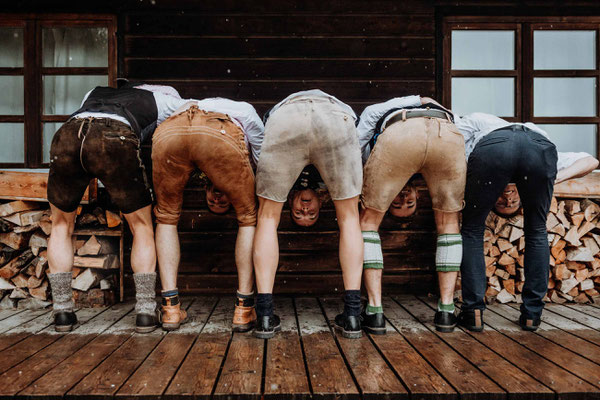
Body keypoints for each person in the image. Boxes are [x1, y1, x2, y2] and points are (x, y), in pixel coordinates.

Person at [47, 82, 184, 333]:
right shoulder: (163, 101)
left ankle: (63, 312)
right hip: (113, 138)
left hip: (67, 135)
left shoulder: (94, 92)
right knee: (142, 226)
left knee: (60, 225)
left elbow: (86, 124)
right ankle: (144, 311)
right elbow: (194, 112)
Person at [456, 112, 598, 332]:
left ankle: (473, 312)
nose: (507, 197)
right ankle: (532, 314)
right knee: (536, 231)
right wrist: (552, 177)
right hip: (538, 149)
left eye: (504, 202)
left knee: (473, 230)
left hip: (494, 148)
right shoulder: (530, 131)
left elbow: (452, 138)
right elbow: (592, 161)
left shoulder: (475, 123)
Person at [253, 89, 364, 339]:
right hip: (336, 116)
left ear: (290, 204)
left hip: (286, 115)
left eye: (300, 215)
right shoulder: (321, 190)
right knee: (349, 218)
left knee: (268, 217)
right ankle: (353, 316)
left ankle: (265, 315)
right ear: (322, 202)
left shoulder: (296, 190)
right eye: (310, 216)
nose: (305, 211)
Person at [152, 97, 264, 331]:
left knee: (166, 217)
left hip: (172, 128)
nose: (218, 197)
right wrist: (253, 180)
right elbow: (260, 153)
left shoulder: (184, 104)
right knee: (248, 218)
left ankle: (171, 309)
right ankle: (243, 309)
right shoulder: (244, 108)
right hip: (217, 130)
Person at [357, 95, 466, 334]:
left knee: (367, 221)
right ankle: (446, 310)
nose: (403, 197)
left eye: (399, 202)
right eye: (408, 201)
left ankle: (375, 310)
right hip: (447, 130)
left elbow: (358, 147)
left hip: (402, 130)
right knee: (449, 223)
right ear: (418, 195)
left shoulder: (375, 109)